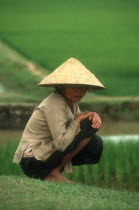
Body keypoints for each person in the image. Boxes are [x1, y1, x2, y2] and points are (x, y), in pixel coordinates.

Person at [13, 57, 105, 183]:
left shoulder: (71, 102)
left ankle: (54, 171)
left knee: (94, 138)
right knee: (85, 126)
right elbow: (62, 144)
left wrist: (92, 115)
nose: (79, 90)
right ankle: (53, 173)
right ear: (61, 87)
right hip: (34, 161)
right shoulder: (55, 104)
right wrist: (77, 120)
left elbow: (81, 127)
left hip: (44, 156)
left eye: (82, 86)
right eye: (73, 86)